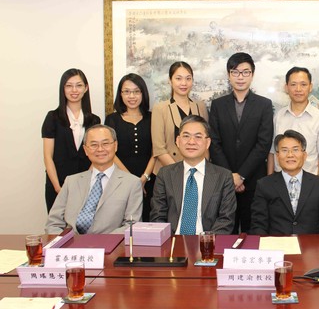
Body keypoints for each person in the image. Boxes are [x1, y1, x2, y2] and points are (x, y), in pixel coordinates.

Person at [209, 52, 274, 233]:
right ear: (229, 75)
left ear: (252, 75)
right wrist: (231, 176)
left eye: (245, 72)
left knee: (252, 231)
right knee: (223, 230)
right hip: (223, 179)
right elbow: (214, 143)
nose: (240, 77)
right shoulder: (217, 105)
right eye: (235, 72)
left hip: (253, 180)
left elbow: (263, 144)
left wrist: (242, 175)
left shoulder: (264, 105)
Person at [45, 125, 143, 234]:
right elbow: (53, 223)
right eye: (94, 145)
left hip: (110, 247)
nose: (100, 149)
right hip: (71, 246)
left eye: (105, 143)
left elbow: (132, 225)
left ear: (115, 146)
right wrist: (63, 244)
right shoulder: (71, 181)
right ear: (85, 150)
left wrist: (99, 243)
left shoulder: (132, 183)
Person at [150, 115, 236, 234]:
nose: (191, 142)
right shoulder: (165, 174)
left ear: (208, 143)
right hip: (172, 243)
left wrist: (205, 242)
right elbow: (157, 216)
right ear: (178, 141)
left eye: (198, 137)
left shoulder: (223, 176)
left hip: (208, 244)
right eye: (186, 136)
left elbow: (226, 220)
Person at [251, 130, 319, 235]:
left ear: (304, 155)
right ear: (277, 156)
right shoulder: (264, 185)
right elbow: (258, 225)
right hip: (277, 247)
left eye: (295, 150)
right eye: (284, 150)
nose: (290, 155)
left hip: (311, 247)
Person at [42, 68, 101, 213]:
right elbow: (48, 157)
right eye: (69, 85)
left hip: (87, 186)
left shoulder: (94, 120)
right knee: (58, 230)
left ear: (86, 88)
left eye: (79, 85)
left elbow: (96, 157)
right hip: (58, 185)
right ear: (63, 89)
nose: (74, 90)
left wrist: (86, 186)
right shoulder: (53, 118)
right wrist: (58, 188)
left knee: (86, 230)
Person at [267, 67, 319, 178]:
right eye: (293, 84)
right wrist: (269, 181)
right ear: (286, 87)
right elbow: (272, 152)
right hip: (279, 181)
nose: (298, 89)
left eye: (303, 84)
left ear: (310, 87)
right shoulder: (278, 117)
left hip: (309, 182)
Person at [105, 73, 156, 222]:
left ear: (143, 93)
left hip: (149, 180)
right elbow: (110, 152)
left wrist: (144, 178)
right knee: (121, 223)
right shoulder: (112, 119)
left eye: (136, 91)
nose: (131, 96)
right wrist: (132, 181)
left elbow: (156, 151)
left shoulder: (152, 118)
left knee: (148, 221)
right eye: (126, 91)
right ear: (120, 94)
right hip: (119, 180)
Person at [151, 61, 209, 176]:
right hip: (168, 173)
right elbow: (159, 149)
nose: (184, 83)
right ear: (170, 80)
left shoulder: (200, 106)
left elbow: (205, 143)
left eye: (188, 78)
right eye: (178, 78)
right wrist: (180, 173)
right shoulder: (160, 109)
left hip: (197, 173)